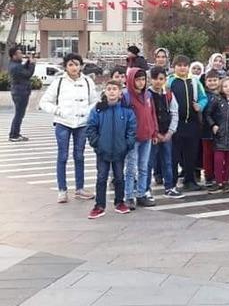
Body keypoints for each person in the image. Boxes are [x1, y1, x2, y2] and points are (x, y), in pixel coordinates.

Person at [39, 53, 100, 203]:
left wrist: (87, 112)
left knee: (79, 156)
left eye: (77, 64)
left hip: (81, 124)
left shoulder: (87, 81)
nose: (74, 68)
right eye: (70, 65)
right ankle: (62, 190)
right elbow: (44, 102)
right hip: (63, 123)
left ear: (81, 66)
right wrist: (59, 111)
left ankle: (79, 189)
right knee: (63, 156)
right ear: (65, 66)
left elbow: (95, 101)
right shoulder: (58, 82)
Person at [85, 80, 136, 219]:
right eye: (109, 89)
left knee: (119, 177)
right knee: (101, 178)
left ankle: (119, 202)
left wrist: (127, 145)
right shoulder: (98, 109)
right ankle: (99, 205)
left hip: (120, 151)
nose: (112, 91)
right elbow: (90, 128)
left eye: (115, 89)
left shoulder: (126, 111)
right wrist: (96, 143)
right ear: (105, 92)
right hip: (103, 151)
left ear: (120, 93)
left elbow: (131, 130)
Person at [167, 55, 209, 191]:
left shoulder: (195, 82)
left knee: (191, 154)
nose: (182, 68)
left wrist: (200, 106)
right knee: (174, 155)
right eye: (179, 65)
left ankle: (190, 180)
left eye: (185, 65)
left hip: (192, 123)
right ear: (174, 67)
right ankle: (172, 182)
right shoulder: (169, 82)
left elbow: (204, 98)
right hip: (175, 125)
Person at [122, 68, 158, 209]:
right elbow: (123, 117)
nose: (141, 82)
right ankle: (129, 196)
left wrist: (154, 132)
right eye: (137, 79)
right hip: (133, 138)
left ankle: (141, 194)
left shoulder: (148, 95)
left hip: (147, 136)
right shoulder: (126, 96)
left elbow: (152, 114)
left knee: (144, 167)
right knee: (131, 168)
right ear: (131, 80)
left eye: (143, 79)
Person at [147, 66, 183, 199]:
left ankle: (170, 187)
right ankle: (146, 189)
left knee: (167, 161)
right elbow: (147, 117)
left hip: (167, 133)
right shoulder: (147, 95)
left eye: (161, 79)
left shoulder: (168, 94)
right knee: (149, 162)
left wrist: (170, 132)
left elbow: (175, 112)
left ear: (165, 80)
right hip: (153, 135)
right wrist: (154, 133)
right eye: (155, 78)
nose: (158, 81)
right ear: (150, 79)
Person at [204, 76, 229, 193]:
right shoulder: (217, 100)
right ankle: (218, 181)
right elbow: (208, 114)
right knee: (218, 159)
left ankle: (226, 181)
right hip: (219, 135)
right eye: (225, 86)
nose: (228, 88)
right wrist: (213, 125)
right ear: (222, 88)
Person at [8, 45, 35, 142]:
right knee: (19, 114)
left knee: (19, 114)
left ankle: (15, 133)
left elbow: (23, 68)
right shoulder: (15, 67)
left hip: (20, 91)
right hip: (20, 92)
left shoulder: (15, 65)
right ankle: (14, 135)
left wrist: (28, 61)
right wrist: (32, 64)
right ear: (13, 55)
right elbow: (28, 74)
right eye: (19, 53)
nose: (21, 55)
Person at [200, 71, 222, 186]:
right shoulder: (204, 95)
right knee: (208, 154)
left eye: (215, 80)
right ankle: (208, 176)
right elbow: (204, 113)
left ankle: (217, 173)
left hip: (220, 129)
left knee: (218, 153)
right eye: (210, 80)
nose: (212, 83)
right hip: (207, 129)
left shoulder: (221, 94)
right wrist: (211, 124)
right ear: (205, 81)